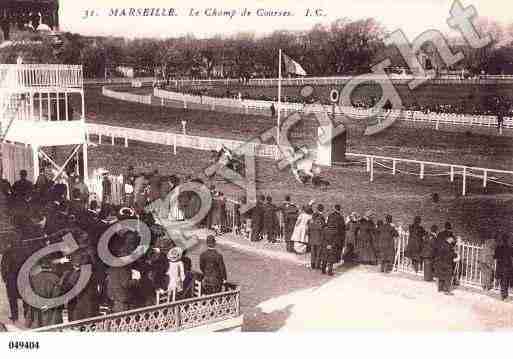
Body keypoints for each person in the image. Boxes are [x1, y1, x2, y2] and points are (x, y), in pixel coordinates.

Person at [61, 251, 100, 321]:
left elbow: (69, 287)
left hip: (80, 306)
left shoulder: (79, 274)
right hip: (89, 305)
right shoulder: (92, 272)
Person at [27, 257, 63, 328]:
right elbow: (57, 295)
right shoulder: (56, 278)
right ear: (51, 266)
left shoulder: (34, 278)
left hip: (38, 309)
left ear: (40, 267)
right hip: (51, 311)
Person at [1, 241, 23, 322]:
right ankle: (27, 316)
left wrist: (5, 278)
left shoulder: (7, 254)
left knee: (12, 298)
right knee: (23, 298)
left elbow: (3, 266)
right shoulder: (21, 252)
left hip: (11, 279)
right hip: (20, 278)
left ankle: (15, 316)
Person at [494, 235, 513, 300]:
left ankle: (503, 294)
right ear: (507, 240)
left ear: (502, 240)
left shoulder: (499, 247)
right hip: (507, 266)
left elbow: (495, 257)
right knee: (506, 280)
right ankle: (505, 294)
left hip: (500, 266)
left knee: (502, 280)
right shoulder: (510, 248)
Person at [309, 204, 326, 270]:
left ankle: (312, 264)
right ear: (322, 209)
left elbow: (309, 228)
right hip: (319, 238)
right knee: (319, 253)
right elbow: (323, 227)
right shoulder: (321, 218)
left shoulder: (311, 220)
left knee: (313, 252)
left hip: (312, 238)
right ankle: (317, 265)